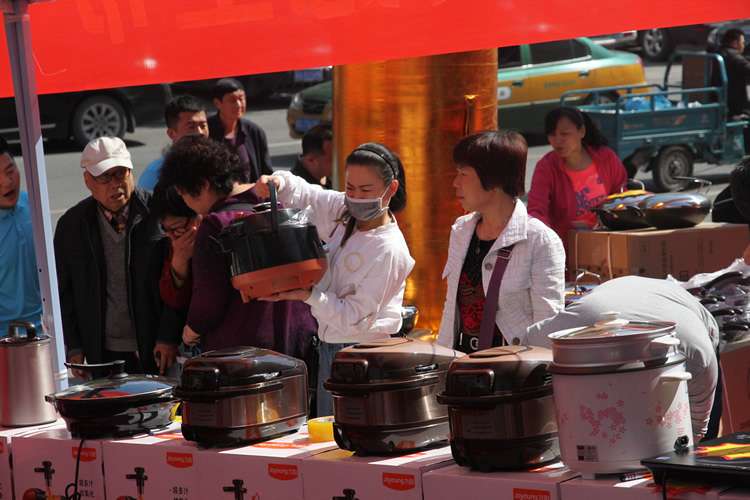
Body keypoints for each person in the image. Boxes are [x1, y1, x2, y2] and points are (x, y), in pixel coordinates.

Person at [255, 142, 415, 417]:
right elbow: (307, 194)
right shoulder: (344, 210)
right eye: (350, 188)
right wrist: (278, 182)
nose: (356, 198)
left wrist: (308, 295)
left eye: (366, 190)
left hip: (363, 355)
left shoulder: (390, 250)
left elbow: (354, 317)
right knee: (329, 431)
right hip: (330, 347)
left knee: (349, 431)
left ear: (391, 189)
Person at [156, 134, 317, 364]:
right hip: (299, 343)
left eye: (183, 193)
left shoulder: (214, 225)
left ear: (203, 185)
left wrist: (191, 331)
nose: (185, 202)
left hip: (246, 359)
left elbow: (209, 302)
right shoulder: (278, 202)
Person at [525, 275, 720, 442]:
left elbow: (695, 432)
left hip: (679, 307)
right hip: (614, 294)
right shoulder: (575, 326)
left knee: (698, 447)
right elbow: (525, 348)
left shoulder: (697, 360)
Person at [54, 137, 182, 380]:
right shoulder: (71, 225)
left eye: (121, 173)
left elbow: (179, 279)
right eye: (105, 176)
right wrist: (75, 345)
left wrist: (169, 336)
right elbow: (64, 292)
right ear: (88, 181)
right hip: (102, 351)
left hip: (157, 347)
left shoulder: (159, 213)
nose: (115, 184)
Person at [433, 130, 565, 352]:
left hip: (513, 365)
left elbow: (547, 325)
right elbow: (451, 309)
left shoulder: (540, 240)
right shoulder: (461, 230)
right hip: (462, 361)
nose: (455, 183)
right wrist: (443, 358)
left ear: (493, 179)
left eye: (463, 174)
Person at [527, 106, 627, 252]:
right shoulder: (546, 167)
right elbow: (536, 211)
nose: (558, 140)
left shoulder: (607, 158)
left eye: (565, 134)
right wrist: (548, 241)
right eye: (552, 134)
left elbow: (623, 197)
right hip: (565, 250)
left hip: (608, 245)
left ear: (582, 132)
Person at [0, 137, 42, 337]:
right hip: (5, 340)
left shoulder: (33, 203)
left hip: (42, 331)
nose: (7, 183)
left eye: (10, 171)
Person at [138, 94, 209, 191]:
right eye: (191, 127)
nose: (200, 133)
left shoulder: (216, 166)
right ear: (171, 133)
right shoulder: (154, 174)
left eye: (203, 126)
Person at [208, 78, 273, 183]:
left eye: (241, 99)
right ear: (217, 103)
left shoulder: (254, 132)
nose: (238, 105)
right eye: (232, 100)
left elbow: (266, 172)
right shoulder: (206, 131)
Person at [149, 181, 201, 310]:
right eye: (166, 228)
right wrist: (179, 260)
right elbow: (173, 300)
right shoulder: (177, 242)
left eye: (177, 227)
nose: (172, 234)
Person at [716, 28, 750, 153]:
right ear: (735, 43)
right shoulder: (733, 56)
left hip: (720, 99)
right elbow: (747, 68)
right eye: (742, 42)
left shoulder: (718, 53)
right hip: (733, 104)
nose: (743, 46)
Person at [290, 122, 333, 189]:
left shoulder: (339, 177)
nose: (343, 163)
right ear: (311, 160)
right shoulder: (295, 189)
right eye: (332, 160)